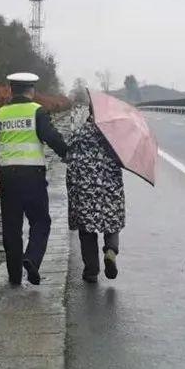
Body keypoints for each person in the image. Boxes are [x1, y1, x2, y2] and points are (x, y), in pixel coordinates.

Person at [0, 73, 68, 286]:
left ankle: (14, 277)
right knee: (40, 221)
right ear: (31, 91)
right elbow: (51, 137)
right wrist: (67, 154)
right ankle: (31, 258)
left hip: (8, 177)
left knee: (11, 227)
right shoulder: (36, 111)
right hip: (33, 177)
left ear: (11, 90)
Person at [66, 107, 125, 283]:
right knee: (112, 222)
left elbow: (69, 157)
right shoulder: (114, 134)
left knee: (87, 230)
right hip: (109, 187)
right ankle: (110, 251)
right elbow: (123, 159)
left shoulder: (79, 132)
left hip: (84, 188)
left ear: (90, 113)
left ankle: (91, 271)